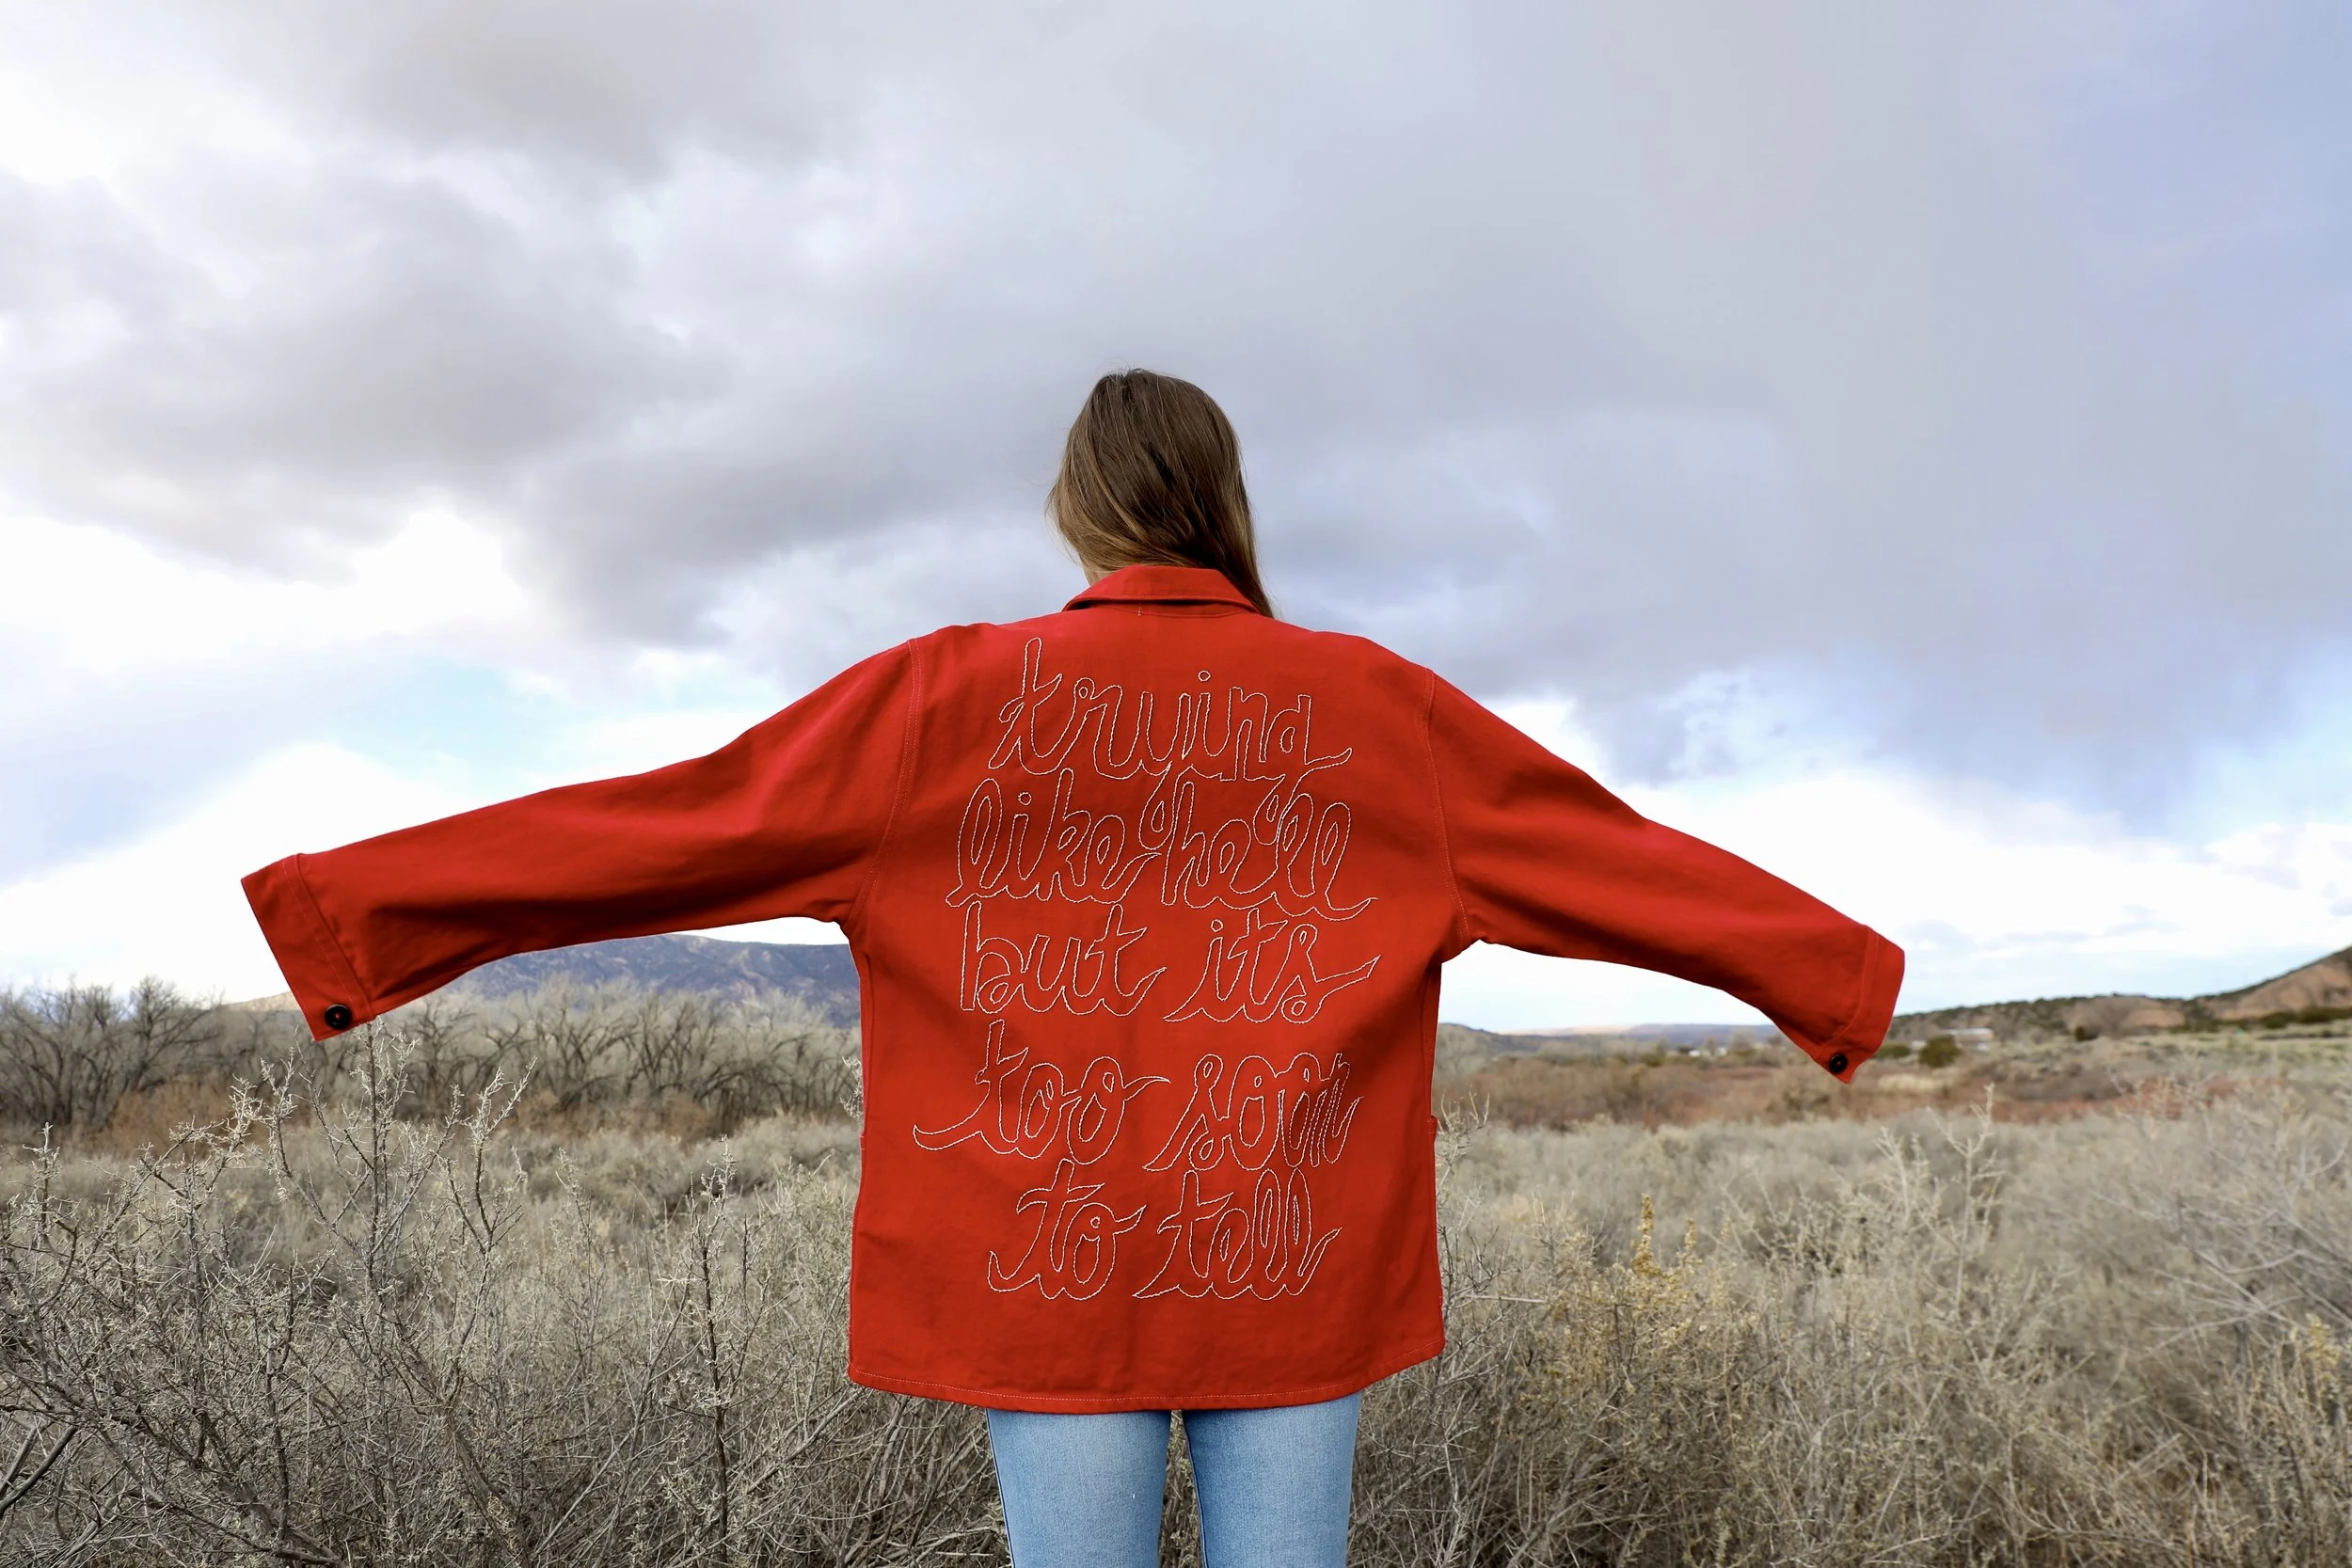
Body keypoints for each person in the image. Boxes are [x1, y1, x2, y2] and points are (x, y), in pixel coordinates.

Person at [241, 369, 1904, 1567]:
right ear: (1228, 505)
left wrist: (358, 910)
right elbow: (1621, 865)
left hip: (1041, 1274)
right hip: (1291, 1267)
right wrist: (1832, 979)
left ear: (1079, 509)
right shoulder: (1382, 712)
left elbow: (670, 826)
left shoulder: (931, 705)